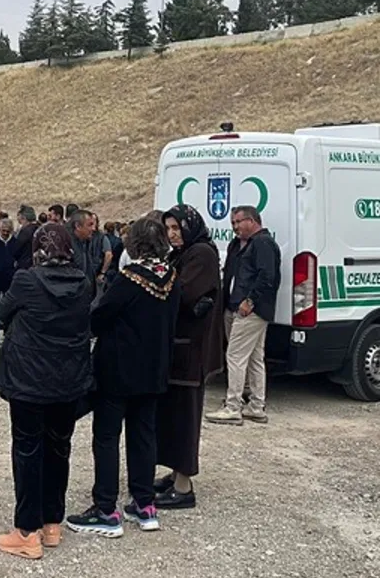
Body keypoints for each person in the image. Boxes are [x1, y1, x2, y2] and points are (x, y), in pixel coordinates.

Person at [66, 218, 180, 538]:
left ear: (135, 243)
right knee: (144, 436)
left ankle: (105, 508)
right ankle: (144, 504)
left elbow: (100, 317)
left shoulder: (129, 279)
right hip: (155, 369)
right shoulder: (172, 278)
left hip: (118, 370)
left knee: (106, 437)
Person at [0, 224, 94, 560]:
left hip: (28, 378)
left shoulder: (26, 280)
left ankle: (26, 531)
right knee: (59, 447)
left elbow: (3, 313)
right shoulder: (83, 282)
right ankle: (52, 523)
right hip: (68, 377)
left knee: (27, 450)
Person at [154, 204, 224, 510]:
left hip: (191, 348)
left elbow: (181, 292)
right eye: (168, 228)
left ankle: (184, 486)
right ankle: (175, 473)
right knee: (173, 414)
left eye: (176, 227)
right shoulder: (180, 255)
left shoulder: (202, 254)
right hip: (177, 346)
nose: (172, 234)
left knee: (186, 416)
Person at [206, 205, 282, 425]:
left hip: (250, 310)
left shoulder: (263, 243)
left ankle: (233, 406)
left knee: (235, 356)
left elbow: (268, 277)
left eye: (239, 222)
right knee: (255, 357)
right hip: (235, 307)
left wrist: (250, 301)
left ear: (253, 220)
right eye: (233, 223)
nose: (235, 227)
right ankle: (256, 405)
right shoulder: (238, 245)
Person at [9, 206, 39, 271]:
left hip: (25, 266)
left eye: (20, 221)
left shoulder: (25, 232)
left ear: (24, 218)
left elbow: (16, 250)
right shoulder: (40, 228)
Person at [0, 218, 16, 297]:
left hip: (10, 274)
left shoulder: (14, 241)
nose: (6, 233)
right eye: (3, 231)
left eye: (8, 231)